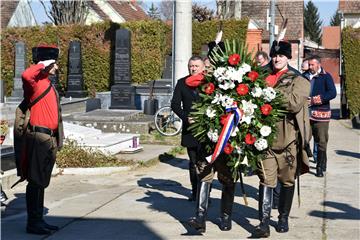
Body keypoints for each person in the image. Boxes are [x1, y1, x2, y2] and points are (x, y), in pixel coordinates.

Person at [252, 40, 311, 238]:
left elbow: (294, 103)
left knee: (286, 181)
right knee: (266, 180)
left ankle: (283, 217)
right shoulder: (261, 76)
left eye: (281, 56)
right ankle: (264, 222)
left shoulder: (299, 79)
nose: (277, 59)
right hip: (264, 139)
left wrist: (269, 93)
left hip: (288, 140)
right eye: (275, 55)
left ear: (288, 57)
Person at [21, 44, 64, 235]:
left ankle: (39, 219)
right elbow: (26, 75)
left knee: (42, 180)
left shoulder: (46, 82)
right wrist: (43, 63)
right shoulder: (35, 82)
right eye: (54, 64)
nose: (56, 68)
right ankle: (33, 222)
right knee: (36, 181)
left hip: (49, 138)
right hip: (39, 136)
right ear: (46, 64)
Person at [171, 56, 205, 202]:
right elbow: (175, 105)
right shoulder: (181, 83)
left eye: (196, 66)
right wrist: (186, 117)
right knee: (193, 162)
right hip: (190, 129)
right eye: (191, 66)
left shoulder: (209, 83)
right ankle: (195, 191)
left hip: (206, 129)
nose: (193, 68)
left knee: (204, 163)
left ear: (203, 67)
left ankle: (204, 194)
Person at [302, 55, 336, 177]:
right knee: (303, 139)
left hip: (321, 115)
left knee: (321, 141)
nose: (310, 67)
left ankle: (320, 167)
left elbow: (332, 93)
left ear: (318, 65)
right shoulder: (304, 76)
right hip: (305, 114)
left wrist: (315, 100)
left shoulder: (326, 76)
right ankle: (306, 159)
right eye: (309, 64)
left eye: (312, 65)